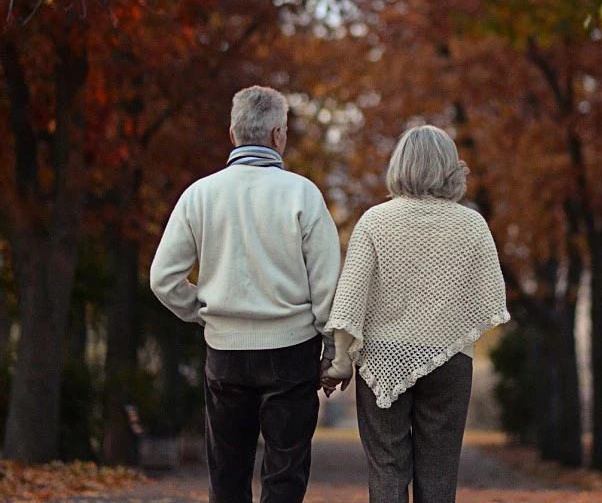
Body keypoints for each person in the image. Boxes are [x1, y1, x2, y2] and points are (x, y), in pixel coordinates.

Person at [150, 85, 341, 503]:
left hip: (225, 352)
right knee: (285, 476)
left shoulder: (198, 195)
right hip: (291, 351)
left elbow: (163, 278)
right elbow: (328, 286)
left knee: (227, 475)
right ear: (277, 135)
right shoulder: (302, 194)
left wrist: (204, 312)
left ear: (232, 135)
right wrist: (332, 348)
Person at [322, 124, 509, 503]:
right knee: (440, 469)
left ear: (399, 166)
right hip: (448, 359)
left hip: (382, 357)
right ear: (450, 169)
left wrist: (340, 360)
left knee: (386, 467)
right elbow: (487, 297)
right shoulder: (472, 224)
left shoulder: (375, 221)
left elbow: (350, 298)